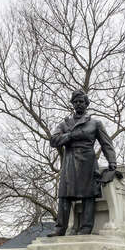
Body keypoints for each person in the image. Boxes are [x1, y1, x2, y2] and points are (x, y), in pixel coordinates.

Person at [48, 89, 116, 236]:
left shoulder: (95, 123)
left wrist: (112, 162)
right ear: (72, 104)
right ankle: (60, 228)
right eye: (76, 102)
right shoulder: (65, 124)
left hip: (88, 162)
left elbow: (106, 144)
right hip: (70, 162)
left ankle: (86, 228)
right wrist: (70, 135)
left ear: (86, 104)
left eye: (82, 102)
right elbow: (53, 141)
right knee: (64, 196)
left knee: (88, 195)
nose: (79, 104)